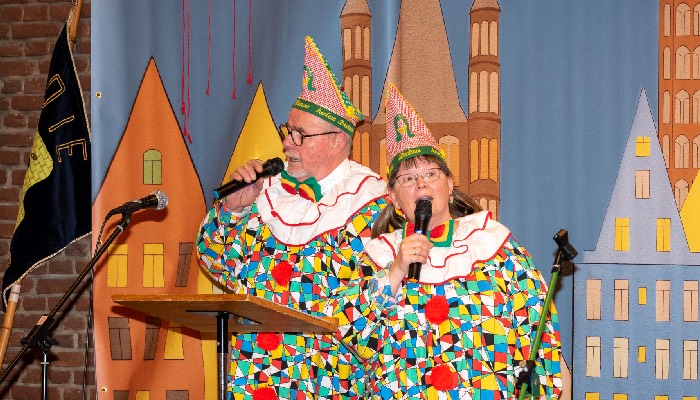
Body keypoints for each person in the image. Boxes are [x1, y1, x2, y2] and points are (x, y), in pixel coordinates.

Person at [329, 84, 563, 399]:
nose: (421, 184)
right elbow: (350, 334)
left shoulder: (494, 243)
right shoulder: (376, 256)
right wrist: (396, 270)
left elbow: (540, 332)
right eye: (408, 179)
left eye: (431, 174)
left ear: (450, 185)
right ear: (394, 198)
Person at [196, 36, 388, 399]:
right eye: (288, 131)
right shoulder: (266, 190)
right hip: (259, 373)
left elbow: (378, 297)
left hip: (333, 377)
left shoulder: (373, 202)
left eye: (300, 135)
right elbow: (215, 263)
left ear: (337, 140)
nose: (287, 143)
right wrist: (234, 209)